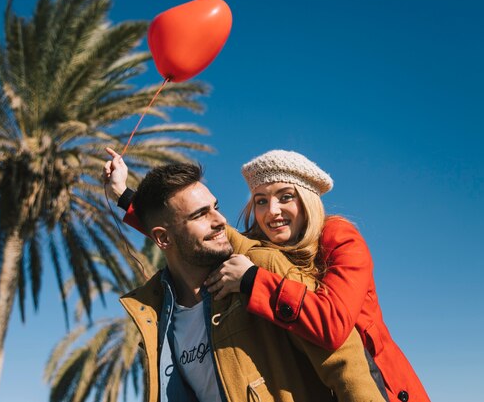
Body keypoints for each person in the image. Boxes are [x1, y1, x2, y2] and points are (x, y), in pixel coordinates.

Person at [108, 149, 430, 402]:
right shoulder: (259, 246)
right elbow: (189, 237)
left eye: (285, 197)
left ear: (307, 199)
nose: (272, 211)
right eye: (261, 201)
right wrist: (125, 196)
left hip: (385, 386)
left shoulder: (338, 237)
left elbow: (333, 327)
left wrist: (250, 281)